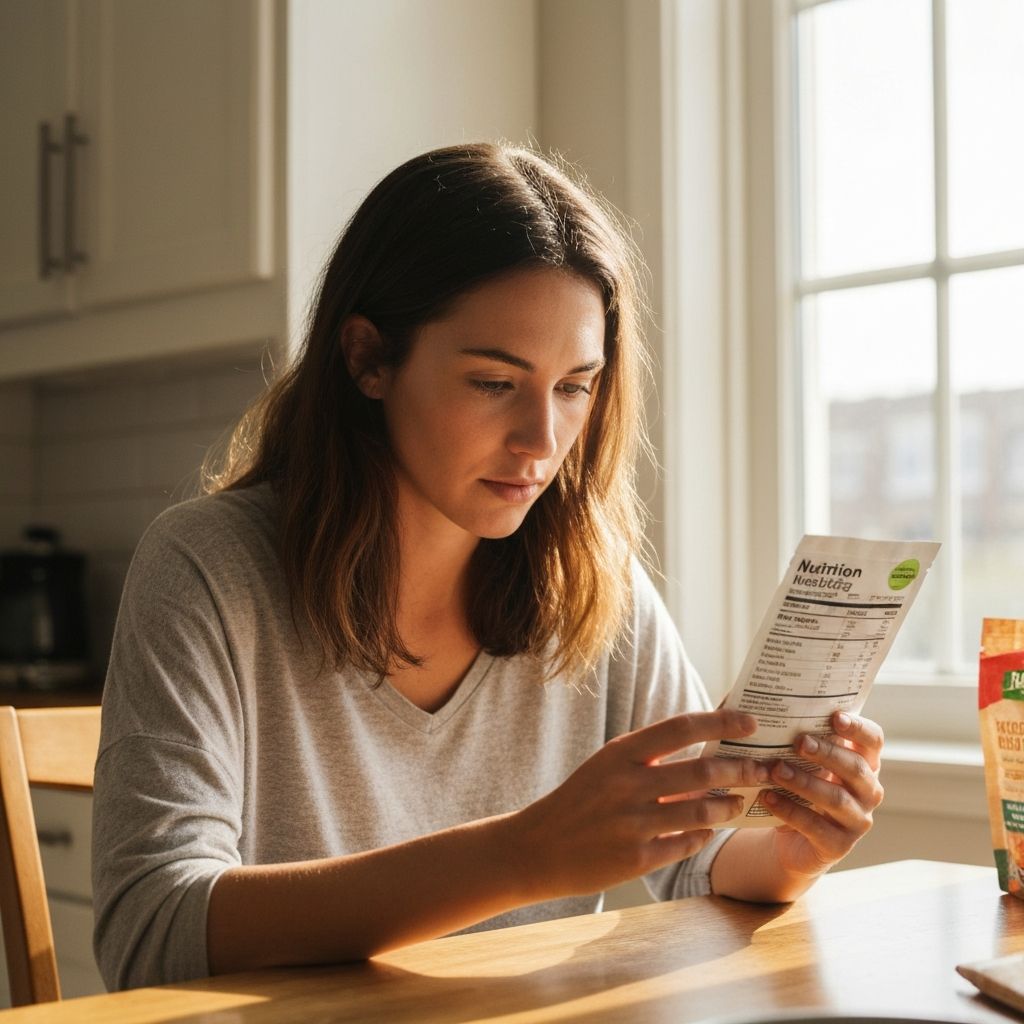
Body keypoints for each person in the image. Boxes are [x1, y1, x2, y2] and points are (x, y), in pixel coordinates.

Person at [91, 142, 885, 991]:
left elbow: (700, 859)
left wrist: (789, 852)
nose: (542, 441)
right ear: (367, 359)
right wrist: (522, 855)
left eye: (574, 387)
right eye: (494, 383)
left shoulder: (591, 580)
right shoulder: (207, 567)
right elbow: (152, 929)